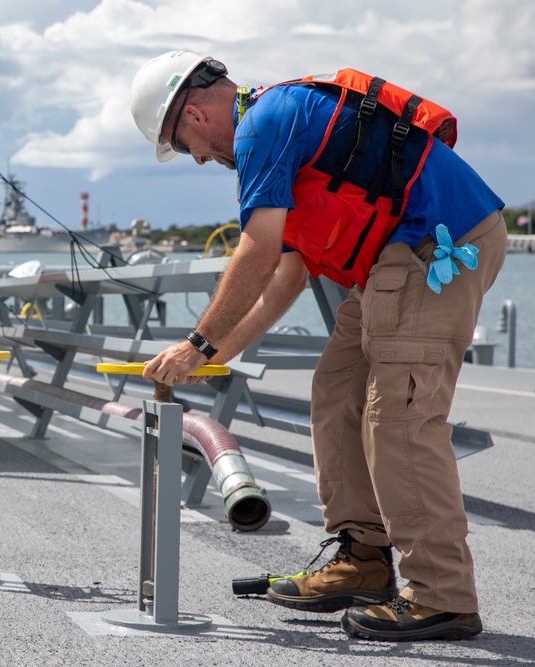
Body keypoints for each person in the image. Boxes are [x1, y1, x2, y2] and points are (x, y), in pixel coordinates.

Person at [130, 51, 507, 642]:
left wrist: (198, 341)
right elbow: (286, 272)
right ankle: (362, 558)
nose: (198, 157)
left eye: (182, 145)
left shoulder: (262, 124)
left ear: (193, 115)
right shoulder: (273, 122)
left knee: (400, 419)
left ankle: (443, 596)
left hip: (438, 247)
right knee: (336, 391)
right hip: (394, 258)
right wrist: (218, 353)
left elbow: (254, 251)